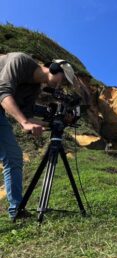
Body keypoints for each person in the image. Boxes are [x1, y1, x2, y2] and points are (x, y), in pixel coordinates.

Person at [0, 52, 76, 219]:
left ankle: (16, 211)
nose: (61, 85)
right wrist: (24, 123)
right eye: (62, 80)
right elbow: (3, 93)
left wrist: (58, 122)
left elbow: (27, 116)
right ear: (54, 68)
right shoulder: (20, 61)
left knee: (13, 157)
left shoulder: (34, 89)